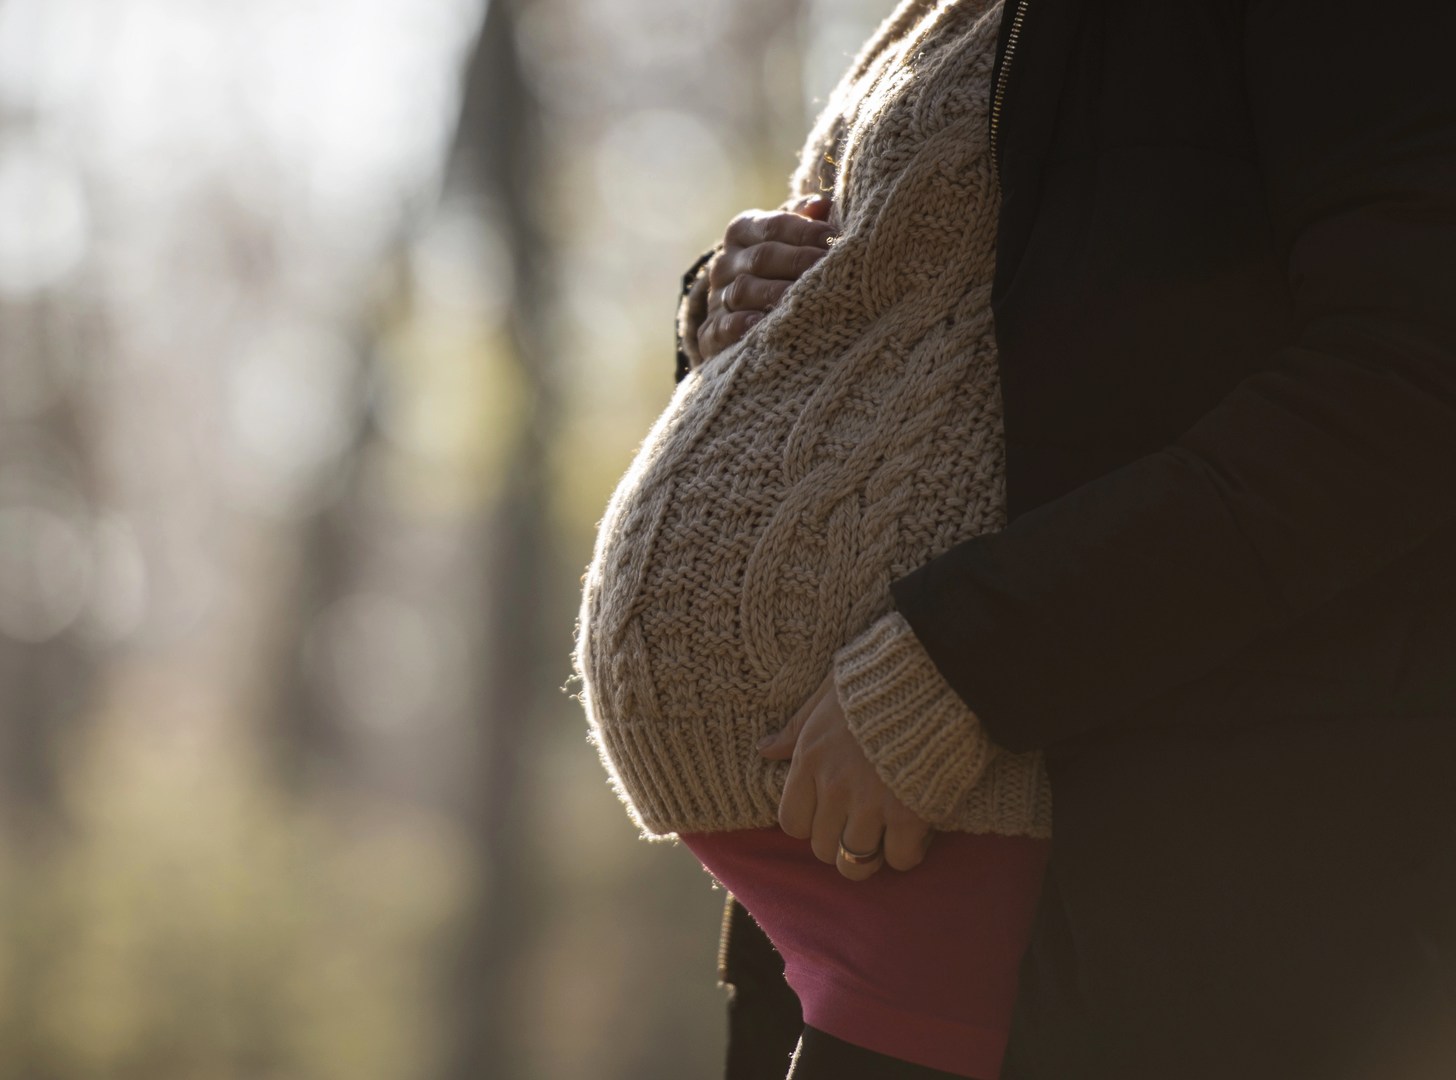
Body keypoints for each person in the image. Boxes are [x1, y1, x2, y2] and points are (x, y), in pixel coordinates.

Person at [667, 0, 1456, 1077]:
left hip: (1197, 904)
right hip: (865, 911)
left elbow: (1407, 383)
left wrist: (968, 664)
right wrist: (737, 307)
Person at [577, 3, 1048, 1077]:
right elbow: (887, 291)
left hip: (931, 814)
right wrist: (724, 303)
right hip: (822, 854)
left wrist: (957, 662)